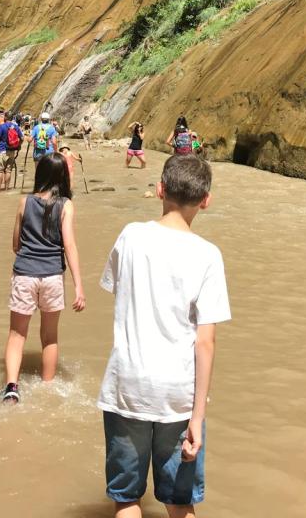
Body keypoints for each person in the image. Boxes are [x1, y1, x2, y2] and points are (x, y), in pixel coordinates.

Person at [98, 154, 230, 517]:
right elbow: (205, 342)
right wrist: (197, 418)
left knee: (126, 498)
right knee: (179, 501)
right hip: (178, 394)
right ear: (206, 200)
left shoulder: (130, 235)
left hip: (127, 386)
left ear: (160, 190)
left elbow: (117, 288)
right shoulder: (208, 256)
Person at [2, 153, 86, 402]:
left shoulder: (24, 202)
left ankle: (11, 388)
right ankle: (48, 388)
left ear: (40, 175)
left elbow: (15, 245)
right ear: (63, 177)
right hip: (52, 276)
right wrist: (79, 287)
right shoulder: (66, 205)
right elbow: (69, 245)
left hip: (25, 274)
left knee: (17, 334)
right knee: (49, 336)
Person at [0, 112, 23, 191]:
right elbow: (22, 138)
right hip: (11, 151)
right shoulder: (16, 127)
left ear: (5, 117)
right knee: (8, 171)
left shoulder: (1, 126)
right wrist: (18, 146)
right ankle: (6, 189)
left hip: (1, 151)